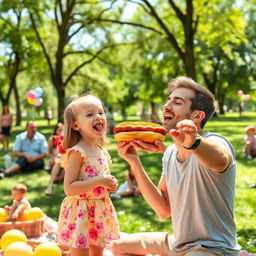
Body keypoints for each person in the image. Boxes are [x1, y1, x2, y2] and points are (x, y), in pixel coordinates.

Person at [112, 76, 239, 256]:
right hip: (178, 244)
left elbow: (221, 160)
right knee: (119, 247)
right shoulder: (170, 153)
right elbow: (163, 209)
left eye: (177, 102)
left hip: (212, 249)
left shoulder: (214, 141)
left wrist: (192, 141)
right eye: (168, 100)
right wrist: (135, 163)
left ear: (197, 116)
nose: (166, 106)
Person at [56, 94, 119, 256]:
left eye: (100, 112)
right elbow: (69, 188)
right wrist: (99, 181)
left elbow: (102, 181)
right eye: (90, 114)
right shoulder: (78, 152)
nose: (98, 117)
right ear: (76, 125)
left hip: (99, 210)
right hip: (80, 212)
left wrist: (109, 184)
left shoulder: (101, 151)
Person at [45, 122, 65, 196]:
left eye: (62, 130)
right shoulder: (52, 139)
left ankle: (58, 179)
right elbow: (49, 153)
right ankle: (50, 186)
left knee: (65, 164)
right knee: (57, 162)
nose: (60, 131)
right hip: (53, 160)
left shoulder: (65, 140)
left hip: (63, 161)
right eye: (59, 130)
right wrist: (55, 157)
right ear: (56, 130)